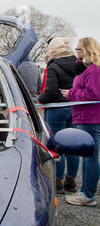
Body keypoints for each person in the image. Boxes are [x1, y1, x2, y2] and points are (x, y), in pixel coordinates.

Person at [62, 37, 100, 206]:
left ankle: (88, 194)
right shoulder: (87, 70)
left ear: (87, 51)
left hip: (90, 118)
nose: (76, 53)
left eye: (78, 50)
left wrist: (70, 94)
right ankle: (85, 191)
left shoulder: (93, 71)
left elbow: (94, 95)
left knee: (91, 157)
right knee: (87, 156)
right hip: (83, 116)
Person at [38, 37, 79, 194]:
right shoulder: (77, 64)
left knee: (57, 145)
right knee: (73, 146)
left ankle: (58, 182)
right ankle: (71, 181)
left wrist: (39, 100)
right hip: (75, 108)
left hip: (57, 110)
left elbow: (50, 92)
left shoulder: (54, 65)